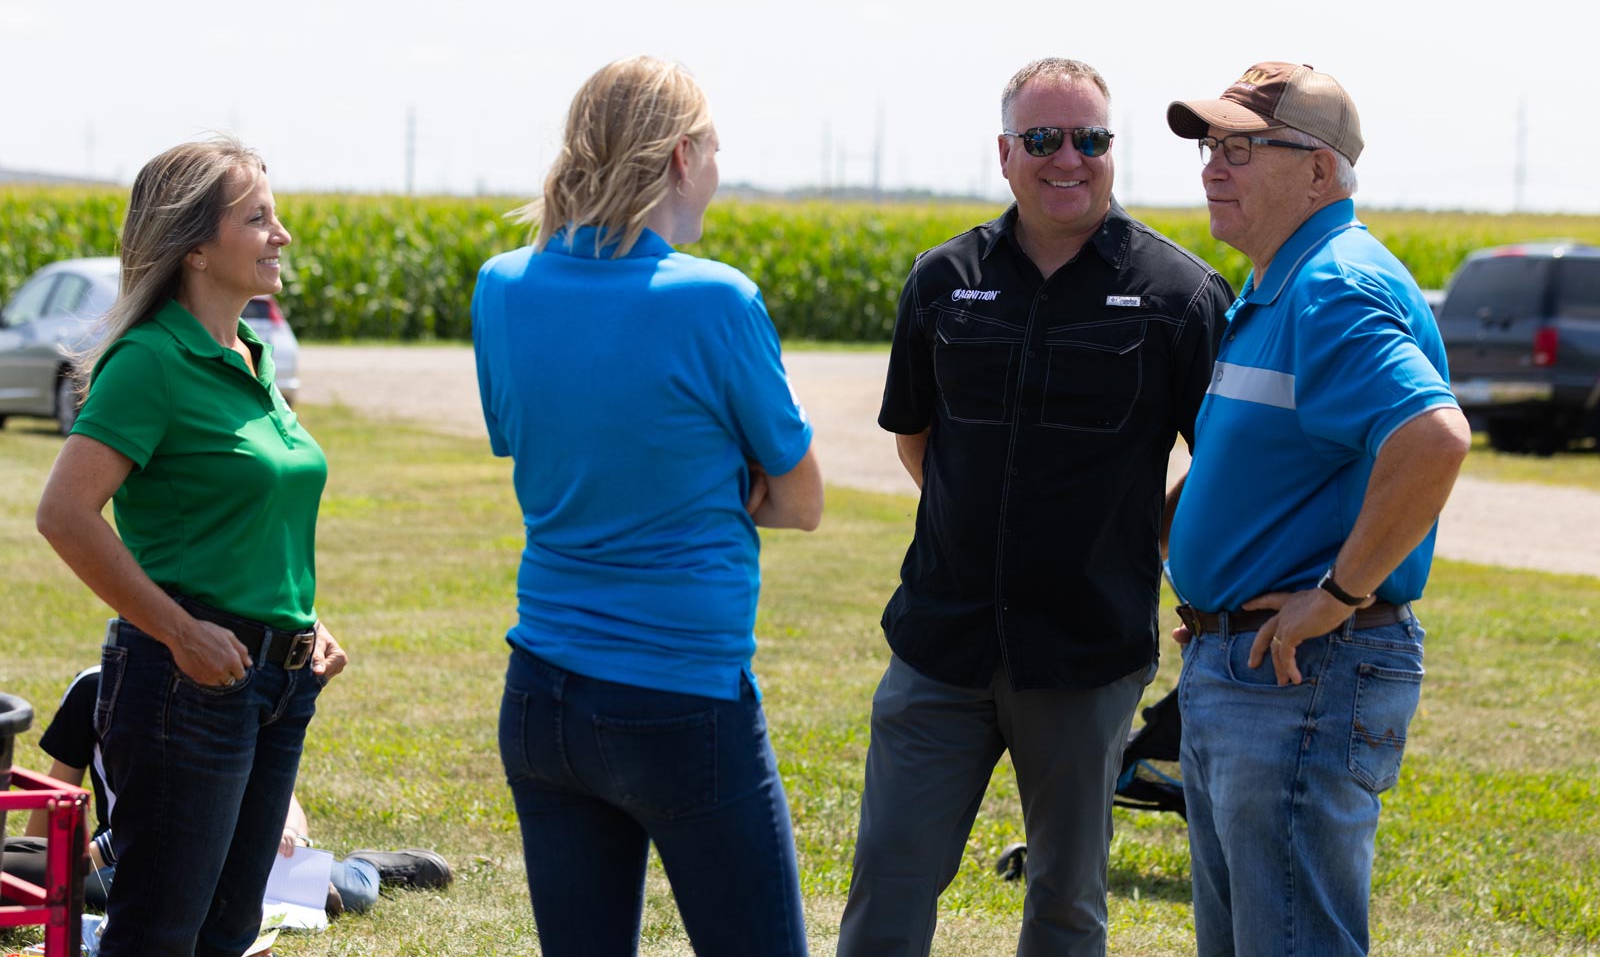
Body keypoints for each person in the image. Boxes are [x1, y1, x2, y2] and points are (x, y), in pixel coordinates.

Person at [837, 57, 1233, 957]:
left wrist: (1141, 535)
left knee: (1066, 897)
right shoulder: (943, 281)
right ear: (1005, 152)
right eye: (1045, 139)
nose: (1070, 159)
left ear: (1111, 152)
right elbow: (918, 441)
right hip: (942, 643)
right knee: (889, 875)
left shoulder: (1180, 296)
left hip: (1087, 653)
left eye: (1091, 139)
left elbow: (1225, 462)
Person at [472, 55, 823, 957]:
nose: (718, 161)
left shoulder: (502, 287)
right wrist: (727, 481)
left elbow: (529, 443)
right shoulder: (718, 298)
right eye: (712, 143)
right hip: (681, 697)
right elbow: (801, 498)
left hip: (540, 694)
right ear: (679, 158)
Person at [1163, 62, 1471, 956]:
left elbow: (1433, 438)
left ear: (1319, 171)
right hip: (1243, 666)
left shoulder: (1331, 287)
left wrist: (1329, 596)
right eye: (1212, 147)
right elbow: (1261, 464)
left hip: (1302, 676)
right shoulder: (1277, 285)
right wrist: (1213, 581)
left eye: (1243, 148)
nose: (1214, 167)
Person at [33, 137, 347, 957]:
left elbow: (250, 514)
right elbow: (64, 514)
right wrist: (178, 629)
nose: (281, 234)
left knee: (229, 931)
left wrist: (304, 621)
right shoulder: (150, 361)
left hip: (276, 681)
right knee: (160, 936)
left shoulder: (251, 354)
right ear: (196, 246)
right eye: (259, 218)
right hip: (187, 683)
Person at [1, 667, 449, 920]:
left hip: (230, 846)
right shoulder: (97, 688)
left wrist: (291, 833)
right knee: (90, 888)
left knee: (352, 894)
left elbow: (279, 795)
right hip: (122, 857)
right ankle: (251, 899)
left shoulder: (224, 682)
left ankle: (366, 865)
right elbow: (55, 797)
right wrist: (39, 868)